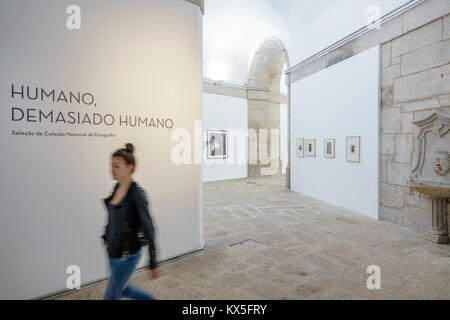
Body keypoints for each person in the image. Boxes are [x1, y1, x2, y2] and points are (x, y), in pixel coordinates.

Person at [102, 143, 159, 300]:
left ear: (130, 168)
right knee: (122, 288)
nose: (112, 169)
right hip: (112, 251)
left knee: (111, 296)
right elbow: (112, 217)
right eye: (112, 165)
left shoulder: (137, 195)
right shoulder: (116, 188)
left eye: (117, 166)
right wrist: (106, 237)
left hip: (126, 256)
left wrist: (153, 262)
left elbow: (150, 229)